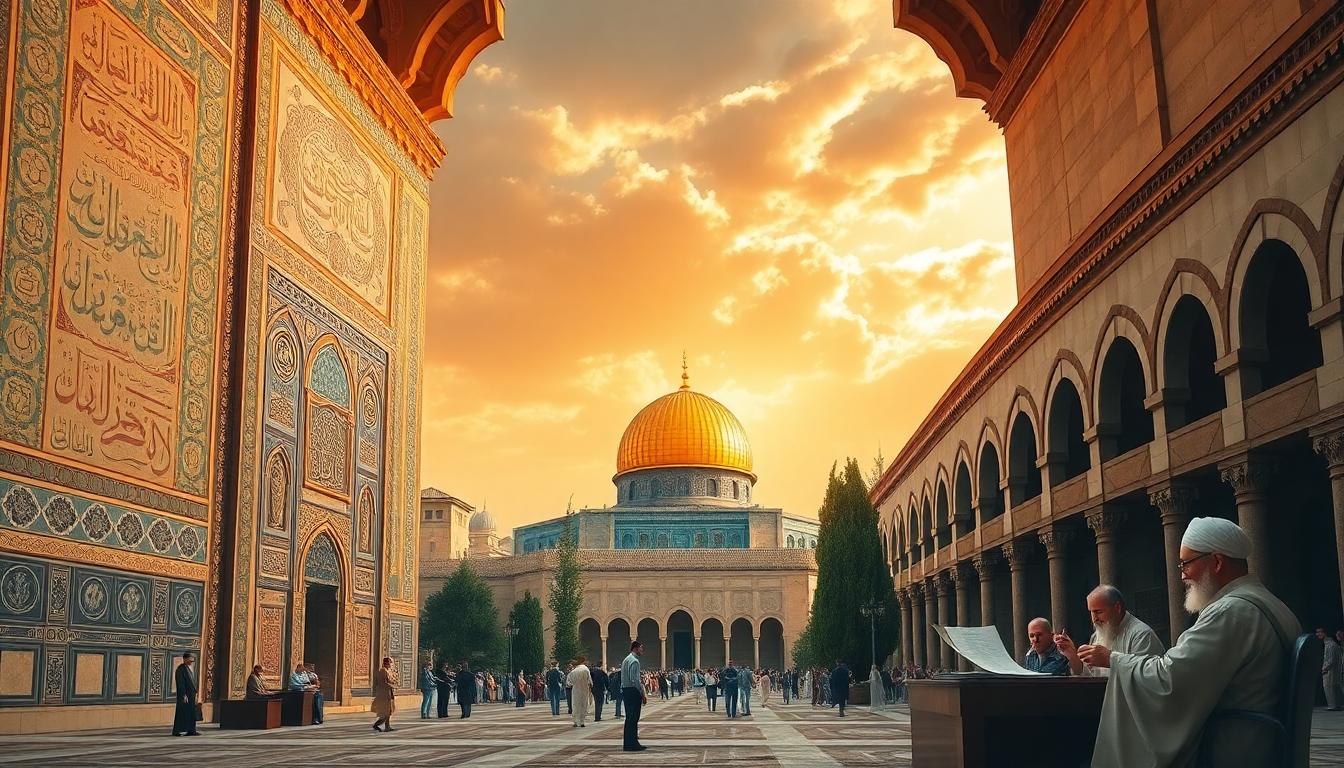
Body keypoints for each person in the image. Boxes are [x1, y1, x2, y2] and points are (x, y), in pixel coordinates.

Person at [1085, 517, 1300, 768]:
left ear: (1217, 562)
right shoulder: (1270, 603)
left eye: (1186, 564)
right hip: (1262, 742)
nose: (1183, 575)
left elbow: (1171, 680)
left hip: (1234, 747)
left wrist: (1113, 659)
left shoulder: (1230, 612)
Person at [1055, 585, 1165, 677]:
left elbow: (1148, 677)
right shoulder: (1097, 635)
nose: (1094, 619)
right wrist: (1072, 655)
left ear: (1117, 608)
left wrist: (1110, 659)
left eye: (1098, 612)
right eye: (1091, 612)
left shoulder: (1141, 635)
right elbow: (1089, 675)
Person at [621, 641, 648, 752]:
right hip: (632, 691)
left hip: (626, 690)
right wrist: (642, 693)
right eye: (641, 648)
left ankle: (629, 743)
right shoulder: (634, 661)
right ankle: (632, 744)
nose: (642, 650)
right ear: (636, 648)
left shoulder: (626, 659)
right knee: (633, 718)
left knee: (629, 718)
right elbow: (635, 680)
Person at [172, 651, 199, 736]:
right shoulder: (180, 670)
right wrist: (184, 695)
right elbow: (181, 684)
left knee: (191, 713)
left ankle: (191, 730)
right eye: (189, 660)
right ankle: (177, 731)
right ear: (184, 659)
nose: (191, 662)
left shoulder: (188, 669)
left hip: (191, 695)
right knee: (181, 713)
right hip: (185, 696)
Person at [372, 657, 397, 732]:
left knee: (388, 711)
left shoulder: (387, 671)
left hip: (388, 693)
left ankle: (387, 726)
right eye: (390, 662)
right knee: (386, 712)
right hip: (384, 694)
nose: (391, 664)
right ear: (386, 663)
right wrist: (392, 686)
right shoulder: (383, 671)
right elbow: (383, 682)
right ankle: (376, 725)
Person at [567, 656, 593, 727]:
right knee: (583, 705)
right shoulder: (586, 670)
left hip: (575, 690)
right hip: (585, 689)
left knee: (575, 705)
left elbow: (569, 683)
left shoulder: (573, 671)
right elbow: (590, 681)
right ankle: (582, 722)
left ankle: (575, 721)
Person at [1322, 627, 1342, 711]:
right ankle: (1334, 705)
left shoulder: (1330, 645)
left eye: (1320, 632)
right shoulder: (1330, 644)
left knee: (1329, 687)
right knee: (1331, 687)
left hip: (1330, 671)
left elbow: (1330, 659)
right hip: (1332, 670)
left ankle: (1333, 705)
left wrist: (1324, 668)